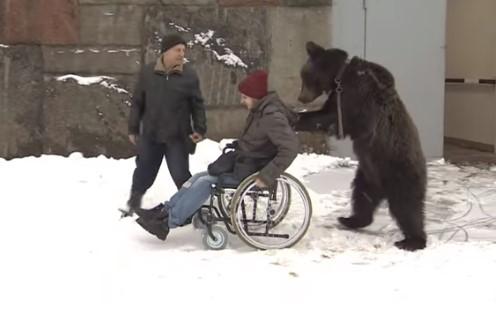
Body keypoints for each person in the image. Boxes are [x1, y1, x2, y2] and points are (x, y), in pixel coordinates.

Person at [133, 70, 299, 241]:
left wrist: (267, 175)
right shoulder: (261, 111)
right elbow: (258, 142)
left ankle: (168, 222)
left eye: (245, 97)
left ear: (256, 96)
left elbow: (290, 148)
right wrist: (238, 145)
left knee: (206, 183)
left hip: (253, 171)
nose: (242, 101)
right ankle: (166, 211)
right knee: (198, 177)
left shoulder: (272, 117)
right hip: (245, 163)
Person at [120, 34, 207, 217]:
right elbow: (138, 102)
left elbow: (197, 104)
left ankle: (193, 211)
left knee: (181, 174)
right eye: (178, 50)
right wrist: (133, 128)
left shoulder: (189, 75)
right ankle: (133, 203)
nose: (181, 54)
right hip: (151, 134)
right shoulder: (147, 73)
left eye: (183, 50)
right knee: (144, 170)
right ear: (166, 51)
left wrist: (200, 128)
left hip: (177, 136)